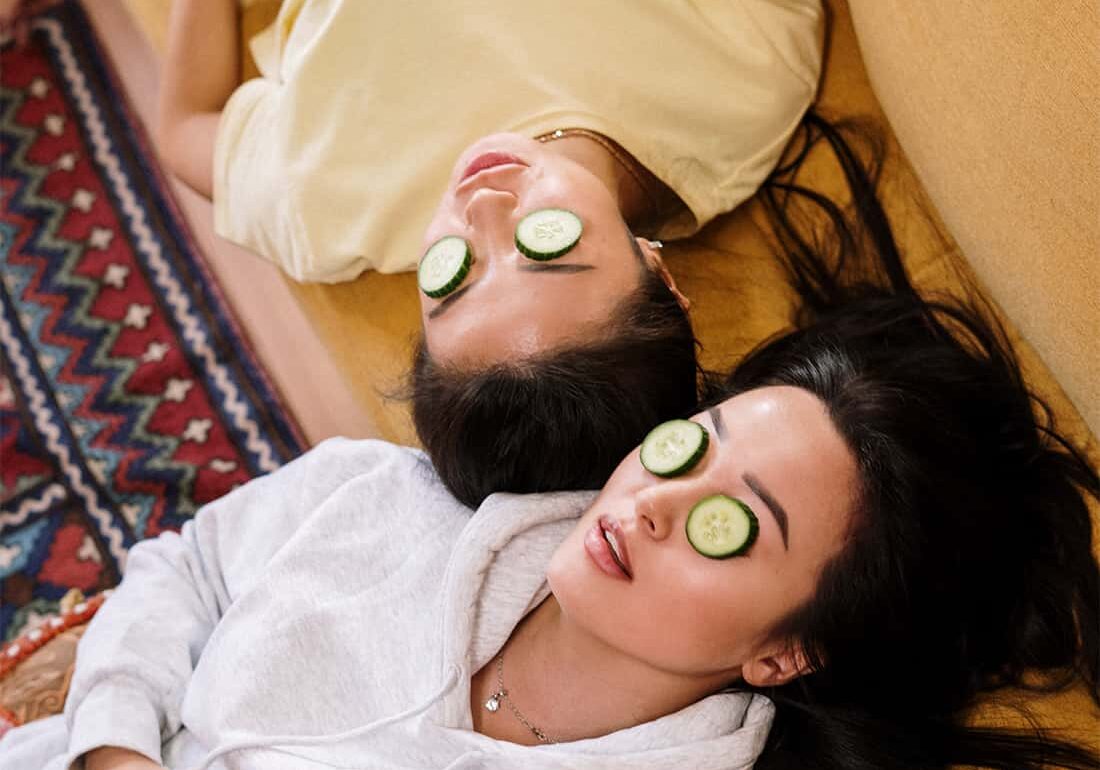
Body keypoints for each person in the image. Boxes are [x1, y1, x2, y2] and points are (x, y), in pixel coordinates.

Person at [2, 115, 1098, 770]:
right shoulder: (388, 493)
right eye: (690, 447)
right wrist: (116, 747)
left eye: (733, 523)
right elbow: (186, 567)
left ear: (783, 653)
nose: (655, 501)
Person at [155, 0, 825, 506]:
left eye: (451, 276)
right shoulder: (746, 78)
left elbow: (185, 130)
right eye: (548, 246)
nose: (481, 209)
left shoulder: (323, 203)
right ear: (658, 271)